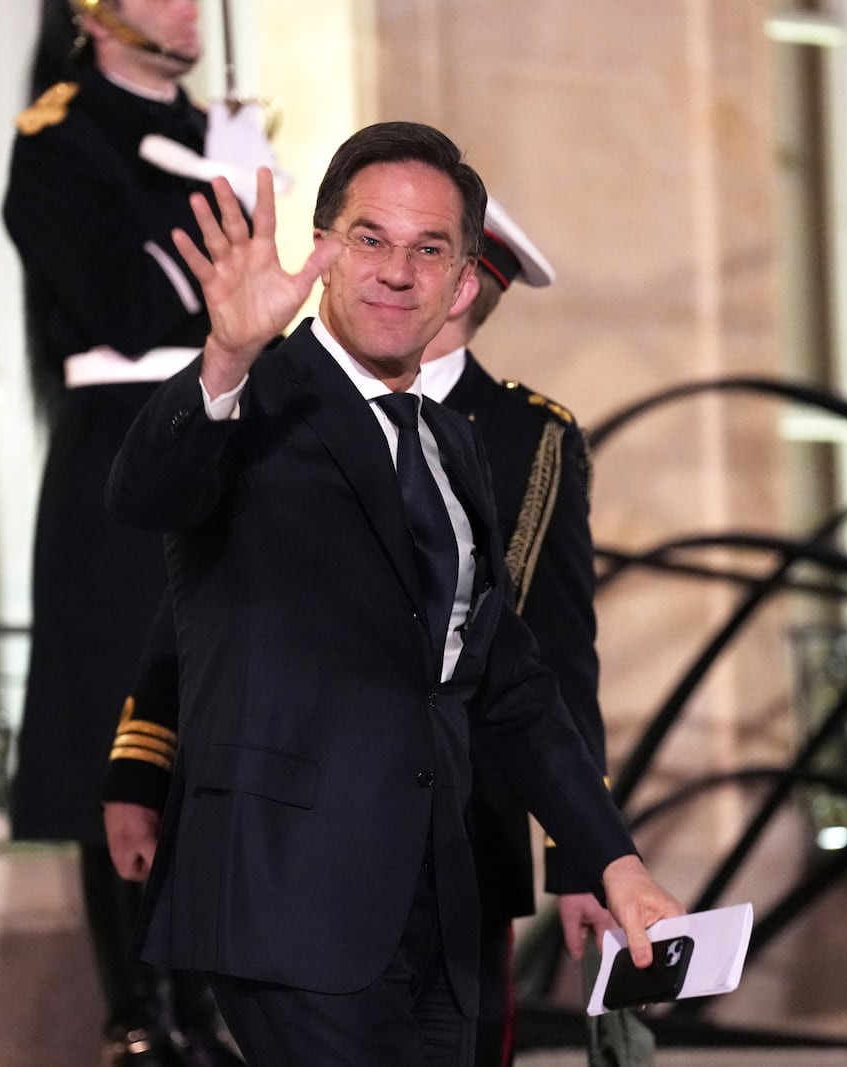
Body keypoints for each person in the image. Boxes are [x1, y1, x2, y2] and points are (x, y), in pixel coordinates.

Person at [103, 120, 684, 1065]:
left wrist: (614, 862)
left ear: (462, 285)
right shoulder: (253, 402)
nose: (395, 272)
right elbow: (144, 492)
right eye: (369, 239)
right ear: (323, 253)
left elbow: (513, 685)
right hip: (288, 903)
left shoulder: (458, 448)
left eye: (428, 251)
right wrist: (221, 359)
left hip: (444, 908)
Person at [0, 1, 268, 1062]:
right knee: (121, 725)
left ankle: (208, 996)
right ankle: (143, 1009)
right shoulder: (59, 135)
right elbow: (119, 303)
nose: (185, 9)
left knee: (222, 724)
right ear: (93, 11)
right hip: (121, 449)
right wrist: (220, 204)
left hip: (223, 436)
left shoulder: (216, 128)